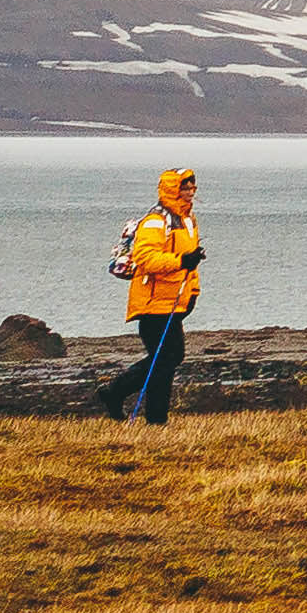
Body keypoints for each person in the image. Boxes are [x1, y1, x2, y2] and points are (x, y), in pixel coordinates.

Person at [95, 166, 204, 425]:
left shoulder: (188, 220)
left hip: (174, 301)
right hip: (153, 301)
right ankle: (116, 393)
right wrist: (180, 261)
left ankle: (154, 417)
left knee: (167, 359)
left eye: (192, 187)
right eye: (185, 187)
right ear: (172, 189)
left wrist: (193, 291)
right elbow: (146, 258)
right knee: (167, 358)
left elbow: (191, 263)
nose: (191, 192)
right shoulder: (156, 220)